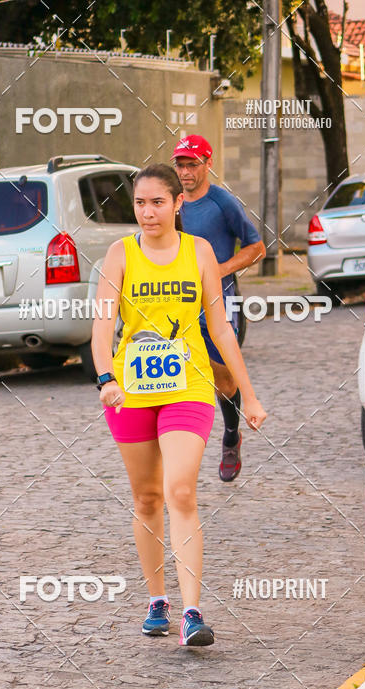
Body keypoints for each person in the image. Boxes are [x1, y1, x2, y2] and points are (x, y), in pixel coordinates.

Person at [91, 163, 267, 647]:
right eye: (140, 203)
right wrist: (106, 377)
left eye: (157, 202)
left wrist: (247, 394)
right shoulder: (120, 253)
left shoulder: (199, 251)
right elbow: (103, 326)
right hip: (129, 393)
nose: (148, 212)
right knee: (147, 497)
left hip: (188, 386)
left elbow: (221, 328)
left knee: (181, 492)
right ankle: (157, 601)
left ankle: (192, 611)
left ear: (177, 204)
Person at [171, 135, 266, 482]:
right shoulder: (172, 202)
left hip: (219, 300)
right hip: (178, 301)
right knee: (179, 371)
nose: (185, 172)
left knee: (223, 378)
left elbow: (257, 248)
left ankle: (230, 435)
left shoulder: (222, 202)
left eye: (192, 165)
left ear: (208, 164)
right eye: (180, 165)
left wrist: (219, 270)